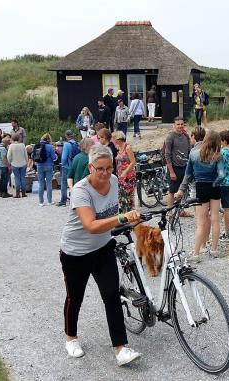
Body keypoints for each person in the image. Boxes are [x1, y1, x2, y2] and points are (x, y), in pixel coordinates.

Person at [59, 144, 142, 365]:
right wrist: (122, 218)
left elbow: (115, 213)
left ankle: (121, 348)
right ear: (90, 167)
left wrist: (131, 218)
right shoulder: (81, 190)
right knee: (75, 297)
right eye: (100, 169)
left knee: (111, 295)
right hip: (75, 252)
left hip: (103, 248)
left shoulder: (114, 181)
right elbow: (91, 225)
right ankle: (71, 337)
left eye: (109, 167)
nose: (105, 173)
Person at [175, 130, 225, 261]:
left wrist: (181, 189)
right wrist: (215, 184)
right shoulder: (218, 155)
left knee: (200, 223)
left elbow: (188, 175)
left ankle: (196, 253)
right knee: (215, 219)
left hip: (200, 187)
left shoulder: (194, 154)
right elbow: (222, 175)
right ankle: (214, 249)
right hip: (214, 188)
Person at [164, 117, 191, 213]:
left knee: (182, 190)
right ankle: (170, 213)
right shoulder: (170, 137)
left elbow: (189, 151)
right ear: (174, 125)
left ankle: (181, 211)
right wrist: (171, 172)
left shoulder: (186, 136)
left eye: (182, 124)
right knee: (172, 191)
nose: (180, 126)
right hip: (174, 168)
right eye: (178, 124)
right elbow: (167, 155)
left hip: (184, 166)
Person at [111, 131, 136, 213]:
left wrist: (125, 172)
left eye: (113, 138)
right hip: (120, 174)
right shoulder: (118, 147)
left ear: (118, 138)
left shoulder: (127, 147)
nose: (112, 140)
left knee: (128, 195)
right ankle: (124, 213)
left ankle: (130, 213)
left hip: (128, 175)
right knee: (122, 194)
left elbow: (133, 162)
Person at [34, 133, 58, 206]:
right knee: (49, 184)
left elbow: (33, 156)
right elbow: (54, 158)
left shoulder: (37, 146)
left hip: (39, 166)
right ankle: (49, 201)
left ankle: (41, 202)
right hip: (48, 166)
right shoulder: (50, 147)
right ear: (49, 139)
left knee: (41, 184)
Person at [58, 130, 80, 206]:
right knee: (75, 183)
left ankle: (63, 201)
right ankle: (75, 200)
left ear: (66, 136)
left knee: (64, 183)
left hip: (67, 167)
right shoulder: (78, 144)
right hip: (76, 166)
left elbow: (64, 158)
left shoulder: (67, 144)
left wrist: (63, 165)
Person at [7, 134, 29, 198]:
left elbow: (9, 156)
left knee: (17, 178)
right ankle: (24, 193)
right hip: (23, 163)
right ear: (19, 138)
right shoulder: (22, 145)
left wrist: (10, 162)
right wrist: (26, 162)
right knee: (23, 178)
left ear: (12, 139)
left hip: (14, 164)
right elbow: (26, 155)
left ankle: (17, 194)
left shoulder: (11, 146)